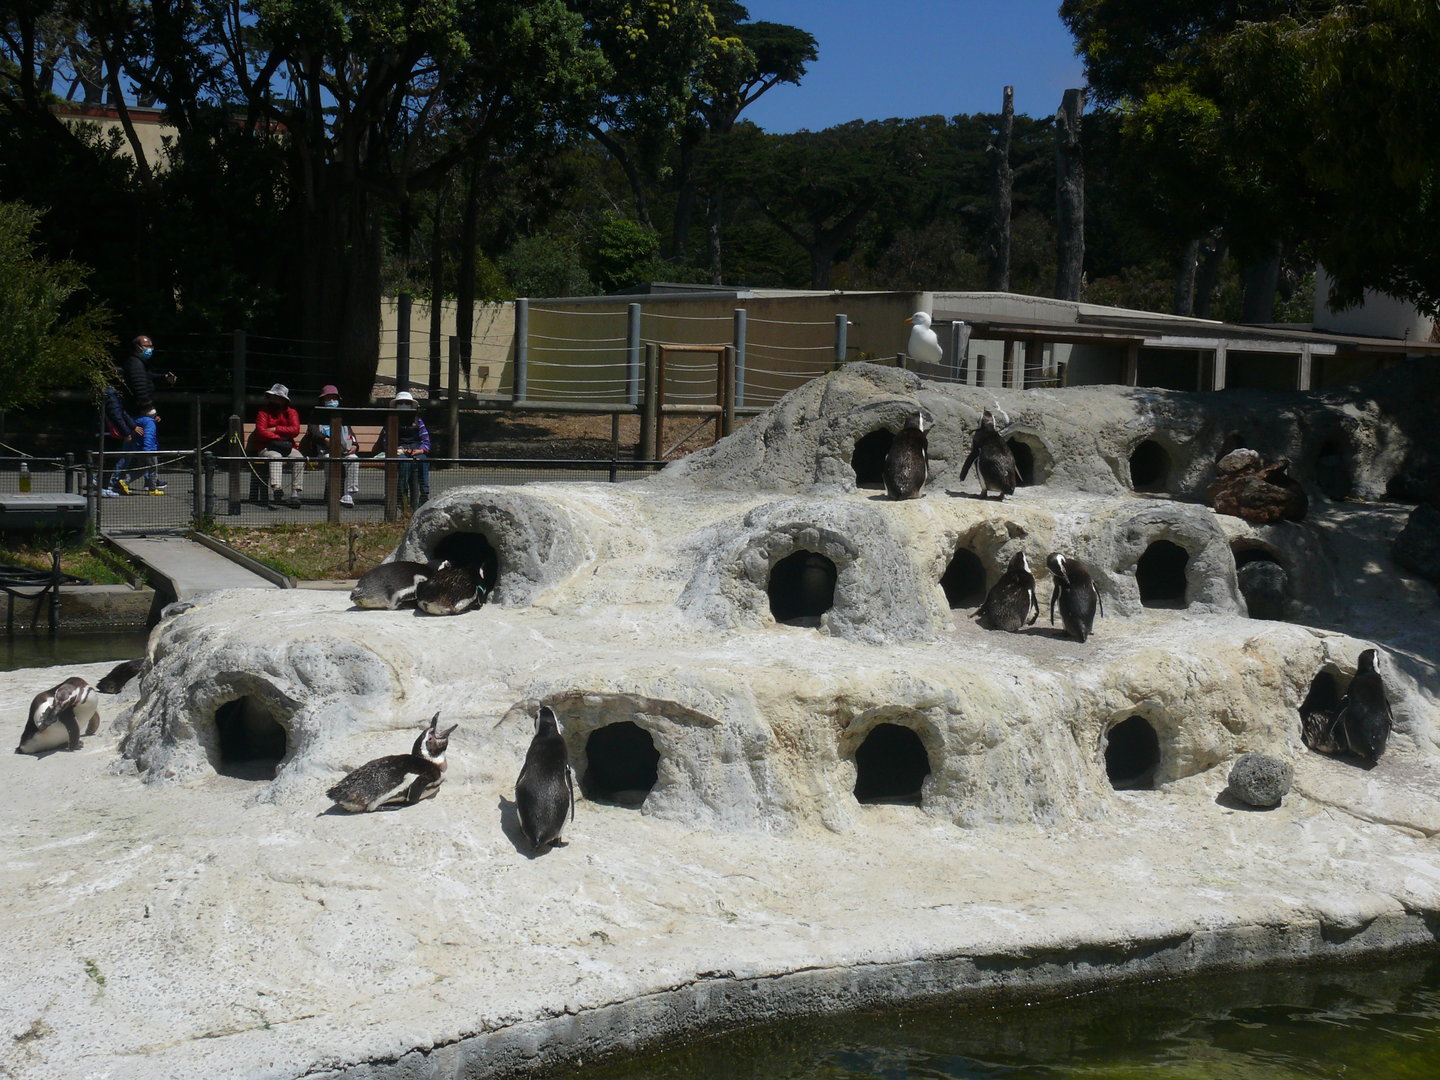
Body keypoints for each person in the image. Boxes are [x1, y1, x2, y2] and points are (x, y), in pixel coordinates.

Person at [306, 384, 361, 507]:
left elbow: (350, 433)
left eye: (334, 398)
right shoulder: (316, 414)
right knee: (329, 460)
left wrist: (355, 445)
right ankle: (333, 493)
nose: (332, 401)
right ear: (322, 400)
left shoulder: (342, 414)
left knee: (354, 460)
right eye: (328, 398)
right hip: (325, 452)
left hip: (345, 452)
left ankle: (349, 495)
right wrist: (324, 439)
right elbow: (313, 432)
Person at [375, 391, 430, 508]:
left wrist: (420, 450)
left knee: (423, 461)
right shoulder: (390, 421)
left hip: (416, 450)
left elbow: (426, 441)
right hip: (399, 451)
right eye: (401, 402)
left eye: (407, 403)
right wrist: (398, 449)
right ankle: (402, 494)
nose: (404, 404)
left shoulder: (418, 421)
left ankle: (424, 493)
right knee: (405, 463)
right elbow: (386, 441)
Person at [255, 383, 304, 508]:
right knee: (275, 456)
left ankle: (295, 494)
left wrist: (275, 429)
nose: (273, 399)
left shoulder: (292, 413)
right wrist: (280, 437)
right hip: (266, 447)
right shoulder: (263, 412)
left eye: (276, 397)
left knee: (299, 459)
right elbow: (261, 432)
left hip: (287, 447)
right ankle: (277, 490)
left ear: (283, 400)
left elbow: (295, 430)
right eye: (271, 397)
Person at [100, 383, 142, 497]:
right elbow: (117, 415)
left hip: (109, 431)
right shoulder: (111, 395)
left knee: (110, 460)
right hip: (110, 432)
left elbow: (122, 412)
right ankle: (103, 487)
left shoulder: (111, 395)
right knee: (110, 460)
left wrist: (133, 426)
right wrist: (126, 432)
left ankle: (104, 485)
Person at [119, 335, 175, 416]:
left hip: (140, 410)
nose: (150, 349)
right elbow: (139, 386)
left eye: (151, 346)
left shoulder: (140, 363)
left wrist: (164, 377)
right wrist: (148, 408)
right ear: (138, 347)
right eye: (146, 346)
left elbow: (147, 377)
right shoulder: (135, 364)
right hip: (138, 411)